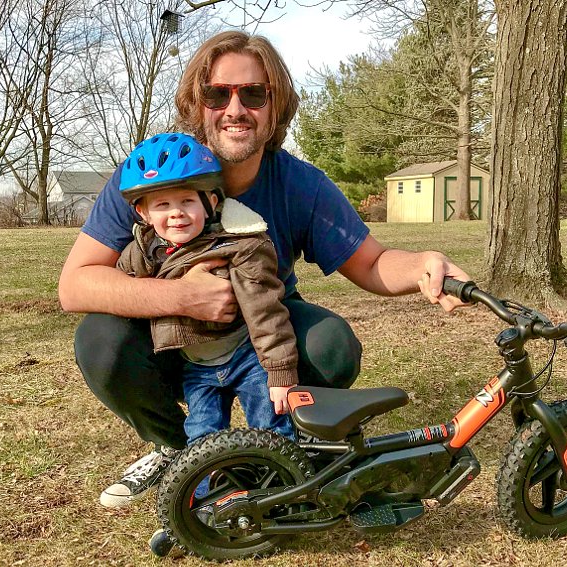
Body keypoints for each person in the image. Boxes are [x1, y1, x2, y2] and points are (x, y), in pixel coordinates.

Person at [58, 30, 470, 509]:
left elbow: (373, 263)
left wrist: (423, 264)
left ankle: (274, 449)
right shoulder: (149, 175)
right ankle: (175, 449)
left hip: (263, 331)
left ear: (276, 108)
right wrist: (184, 297)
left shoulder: (301, 184)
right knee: (99, 340)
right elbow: (75, 283)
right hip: (171, 337)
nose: (235, 108)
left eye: (254, 93)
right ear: (198, 102)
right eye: (218, 93)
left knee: (331, 344)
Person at [115, 132, 296, 463]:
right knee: (201, 441)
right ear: (143, 213)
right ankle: (206, 501)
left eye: (187, 201)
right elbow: (120, 285)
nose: (176, 214)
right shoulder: (143, 252)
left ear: (211, 202)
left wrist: (281, 373)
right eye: (162, 205)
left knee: (273, 429)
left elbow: (265, 311)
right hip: (196, 367)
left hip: (246, 357)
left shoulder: (238, 246)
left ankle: (286, 493)